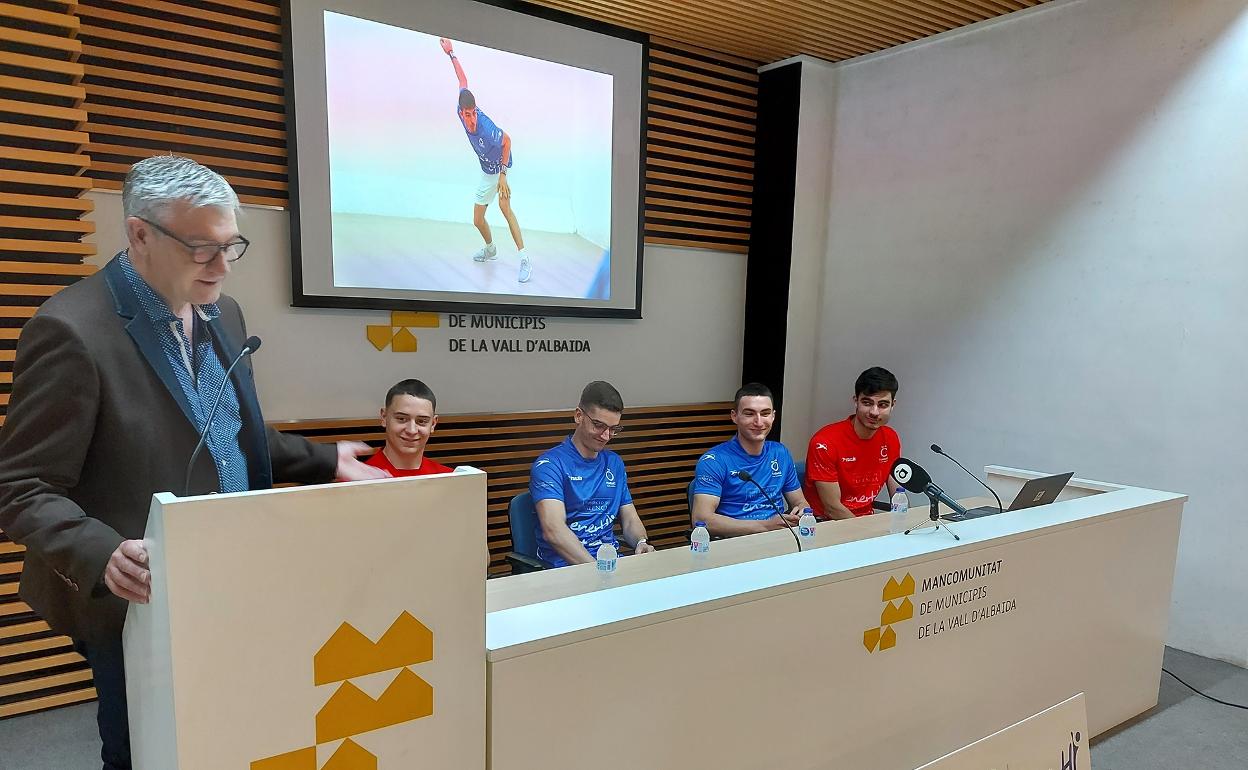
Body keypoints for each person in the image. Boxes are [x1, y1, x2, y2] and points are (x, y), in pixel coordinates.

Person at [0, 155, 387, 770]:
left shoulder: (221, 311)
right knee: (146, 749)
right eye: (201, 249)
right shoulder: (70, 331)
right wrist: (102, 552)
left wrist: (322, 460)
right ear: (138, 234)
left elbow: (226, 429)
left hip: (228, 572)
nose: (222, 266)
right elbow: (21, 487)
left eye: (232, 246)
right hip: (137, 594)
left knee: (225, 736)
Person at [529, 381, 655, 567]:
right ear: (579, 416)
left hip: (609, 563)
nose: (606, 436)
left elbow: (629, 519)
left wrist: (641, 542)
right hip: (566, 569)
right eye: (598, 425)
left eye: (613, 429)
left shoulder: (614, 463)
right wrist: (597, 571)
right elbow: (554, 531)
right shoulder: (549, 465)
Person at [439, 37, 531, 284]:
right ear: (461, 111)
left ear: (475, 109)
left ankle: (524, 260)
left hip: (500, 168)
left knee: (504, 208)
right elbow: (462, 81)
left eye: (472, 114)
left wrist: (503, 175)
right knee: (477, 219)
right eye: (466, 114)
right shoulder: (461, 109)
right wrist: (451, 53)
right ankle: (491, 249)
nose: (470, 119)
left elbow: (507, 141)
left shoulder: (486, 127)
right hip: (486, 171)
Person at [691, 383, 810, 537]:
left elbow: (800, 501)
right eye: (749, 414)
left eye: (765, 413)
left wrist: (801, 509)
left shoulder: (780, 453)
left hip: (780, 537)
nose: (759, 422)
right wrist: (765, 526)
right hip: (735, 541)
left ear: (773, 416)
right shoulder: (713, 461)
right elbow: (702, 519)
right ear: (734, 416)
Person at [802, 367, 902, 520]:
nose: (874, 412)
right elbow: (832, 508)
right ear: (856, 401)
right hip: (826, 525)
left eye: (882, 405)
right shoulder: (824, 442)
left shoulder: (890, 437)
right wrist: (868, 538)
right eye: (867, 403)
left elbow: (898, 493)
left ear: (892, 405)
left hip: (866, 521)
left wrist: (903, 525)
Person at [365, 379, 452, 477]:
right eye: (401, 419)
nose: (412, 430)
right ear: (384, 417)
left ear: (433, 424)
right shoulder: (356, 481)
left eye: (421, 421)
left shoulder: (451, 479)